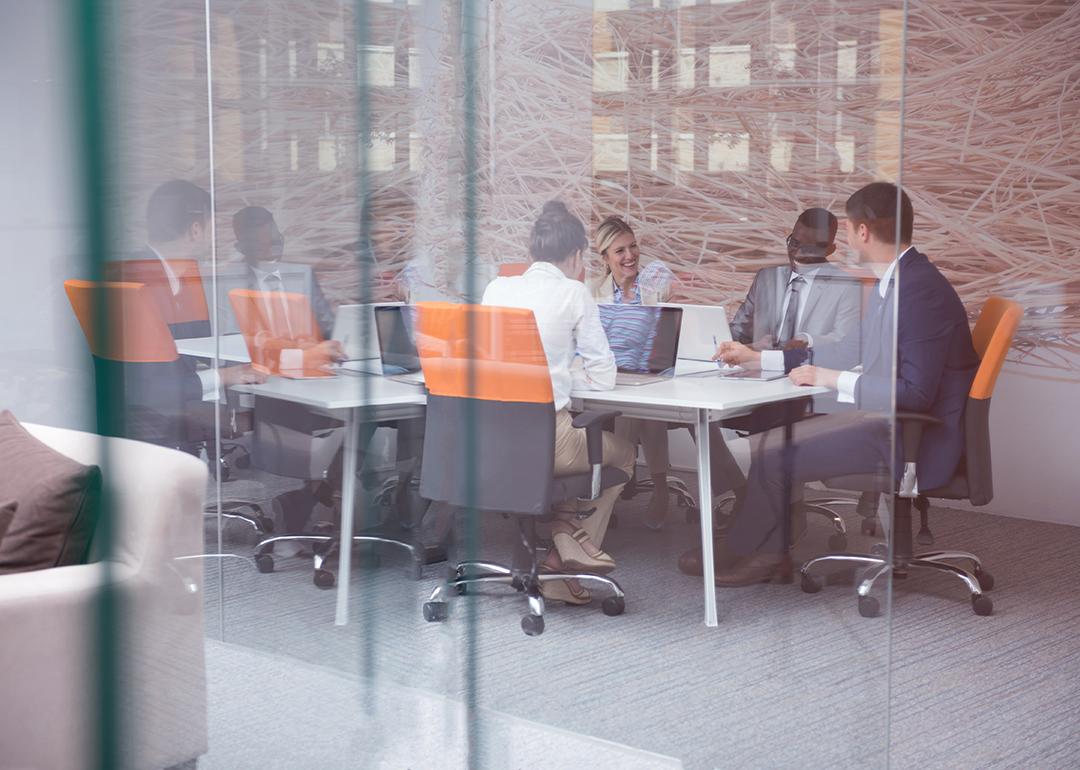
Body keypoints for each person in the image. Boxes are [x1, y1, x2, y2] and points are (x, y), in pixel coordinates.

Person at [694, 183, 978, 586]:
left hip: (911, 436)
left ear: (862, 231)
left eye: (846, 229)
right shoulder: (896, 281)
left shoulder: (917, 291)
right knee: (774, 439)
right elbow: (846, 351)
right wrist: (761, 359)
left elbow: (915, 393)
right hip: (882, 419)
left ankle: (760, 555)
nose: (842, 239)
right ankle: (745, 546)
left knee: (773, 452)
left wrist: (830, 379)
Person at [483, 201, 636, 605]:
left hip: (490, 441)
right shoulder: (573, 292)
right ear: (576, 256)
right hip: (547, 441)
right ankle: (563, 555)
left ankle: (566, 539)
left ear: (533, 253)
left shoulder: (496, 288)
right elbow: (604, 376)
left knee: (579, 439)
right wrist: (568, 374)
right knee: (620, 454)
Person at [701, 208, 863, 529]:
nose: (795, 253)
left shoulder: (845, 285)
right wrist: (727, 346)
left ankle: (784, 514)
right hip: (757, 378)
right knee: (699, 413)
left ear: (829, 250)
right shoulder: (767, 278)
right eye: (792, 242)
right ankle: (745, 492)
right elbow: (740, 328)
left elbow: (843, 343)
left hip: (806, 385)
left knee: (773, 417)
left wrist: (806, 338)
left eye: (807, 248)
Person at [109, 180, 266, 446]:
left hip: (172, 420)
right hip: (147, 431)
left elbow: (198, 348)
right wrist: (227, 377)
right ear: (195, 230)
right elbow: (148, 388)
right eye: (213, 230)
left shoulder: (178, 278)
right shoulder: (137, 284)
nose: (219, 241)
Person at [587, 216, 676, 529]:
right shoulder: (591, 291)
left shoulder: (653, 288)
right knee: (636, 406)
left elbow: (668, 336)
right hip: (607, 376)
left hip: (650, 373)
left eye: (633, 246)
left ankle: (616, 494)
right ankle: (648, 487)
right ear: (606, 258)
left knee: (646, 401)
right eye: (620, 251)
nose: (630, 256)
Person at [232, 206, 335, 337]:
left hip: (307, 354)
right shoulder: (232, 283)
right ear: (242, 248)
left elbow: (328, 326)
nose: (275, 250)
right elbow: (234, 340)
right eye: (264, 246)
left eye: (277, 242)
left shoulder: (303, 275)